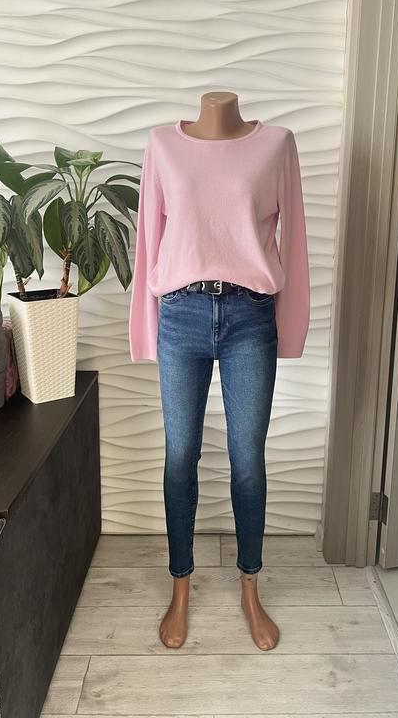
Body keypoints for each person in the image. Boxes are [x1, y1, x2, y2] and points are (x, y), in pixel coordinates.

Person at [129, 92, 310, 650]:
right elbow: (149, 242)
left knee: (247, 459)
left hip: (250, 316)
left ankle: (250, 588)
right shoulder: (163, 145)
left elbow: (294, 242)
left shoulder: (276, 145)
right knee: (179, 455)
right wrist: (144, 331)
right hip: (180, 313)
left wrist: (291, 328)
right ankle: (180, 586)